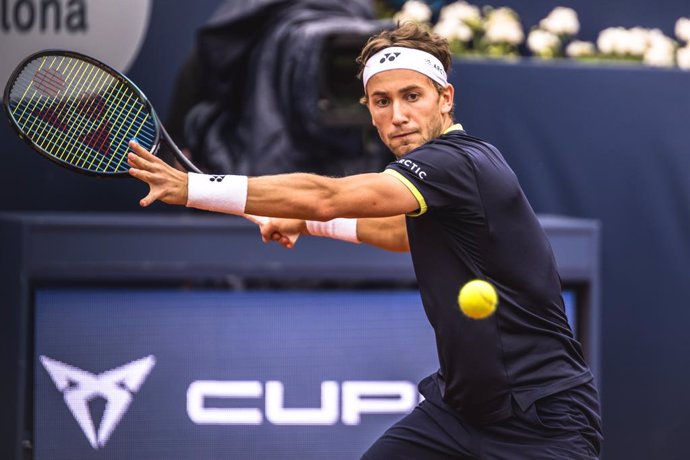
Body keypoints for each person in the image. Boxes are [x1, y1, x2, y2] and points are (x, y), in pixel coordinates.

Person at [127, 22, 603, 460]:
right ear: (369, 111)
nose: (397, 115)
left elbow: (328, 196)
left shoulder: (457, 162)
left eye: (412, 96)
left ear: (446, 99)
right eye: (381, 101)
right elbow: (399, 233)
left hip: (542, 419)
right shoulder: (438, 184)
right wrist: (304, 224)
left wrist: (193, 188)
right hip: (458, 412)